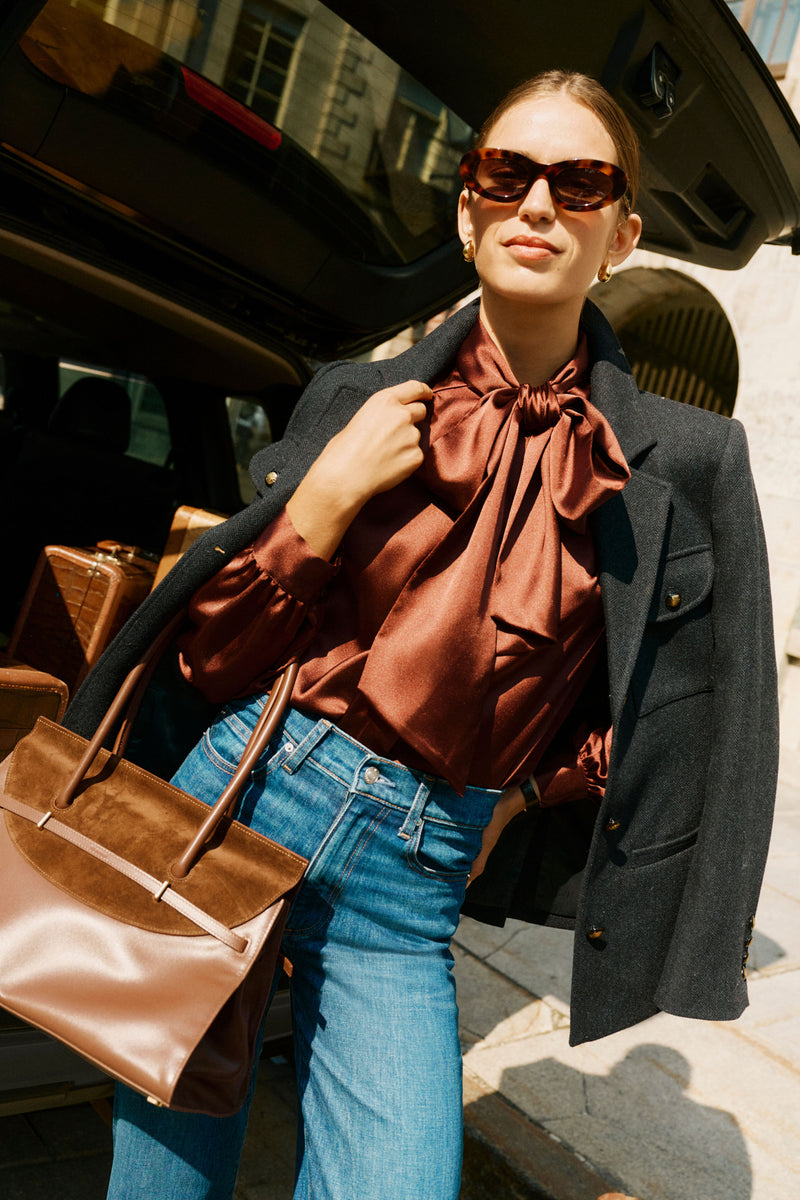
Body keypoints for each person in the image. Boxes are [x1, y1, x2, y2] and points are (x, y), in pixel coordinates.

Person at [64, 70, 778, 1200]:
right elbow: (211, 659)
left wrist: (519, 798)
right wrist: (316, 510)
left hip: (412, 876)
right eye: (505, 173)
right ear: (466, 210)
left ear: (622, 235)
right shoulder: (356, 395)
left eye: (579, 182)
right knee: (161, 1178)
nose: (536, 203)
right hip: (238, 794)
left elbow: (678, 719)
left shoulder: (683, 464)